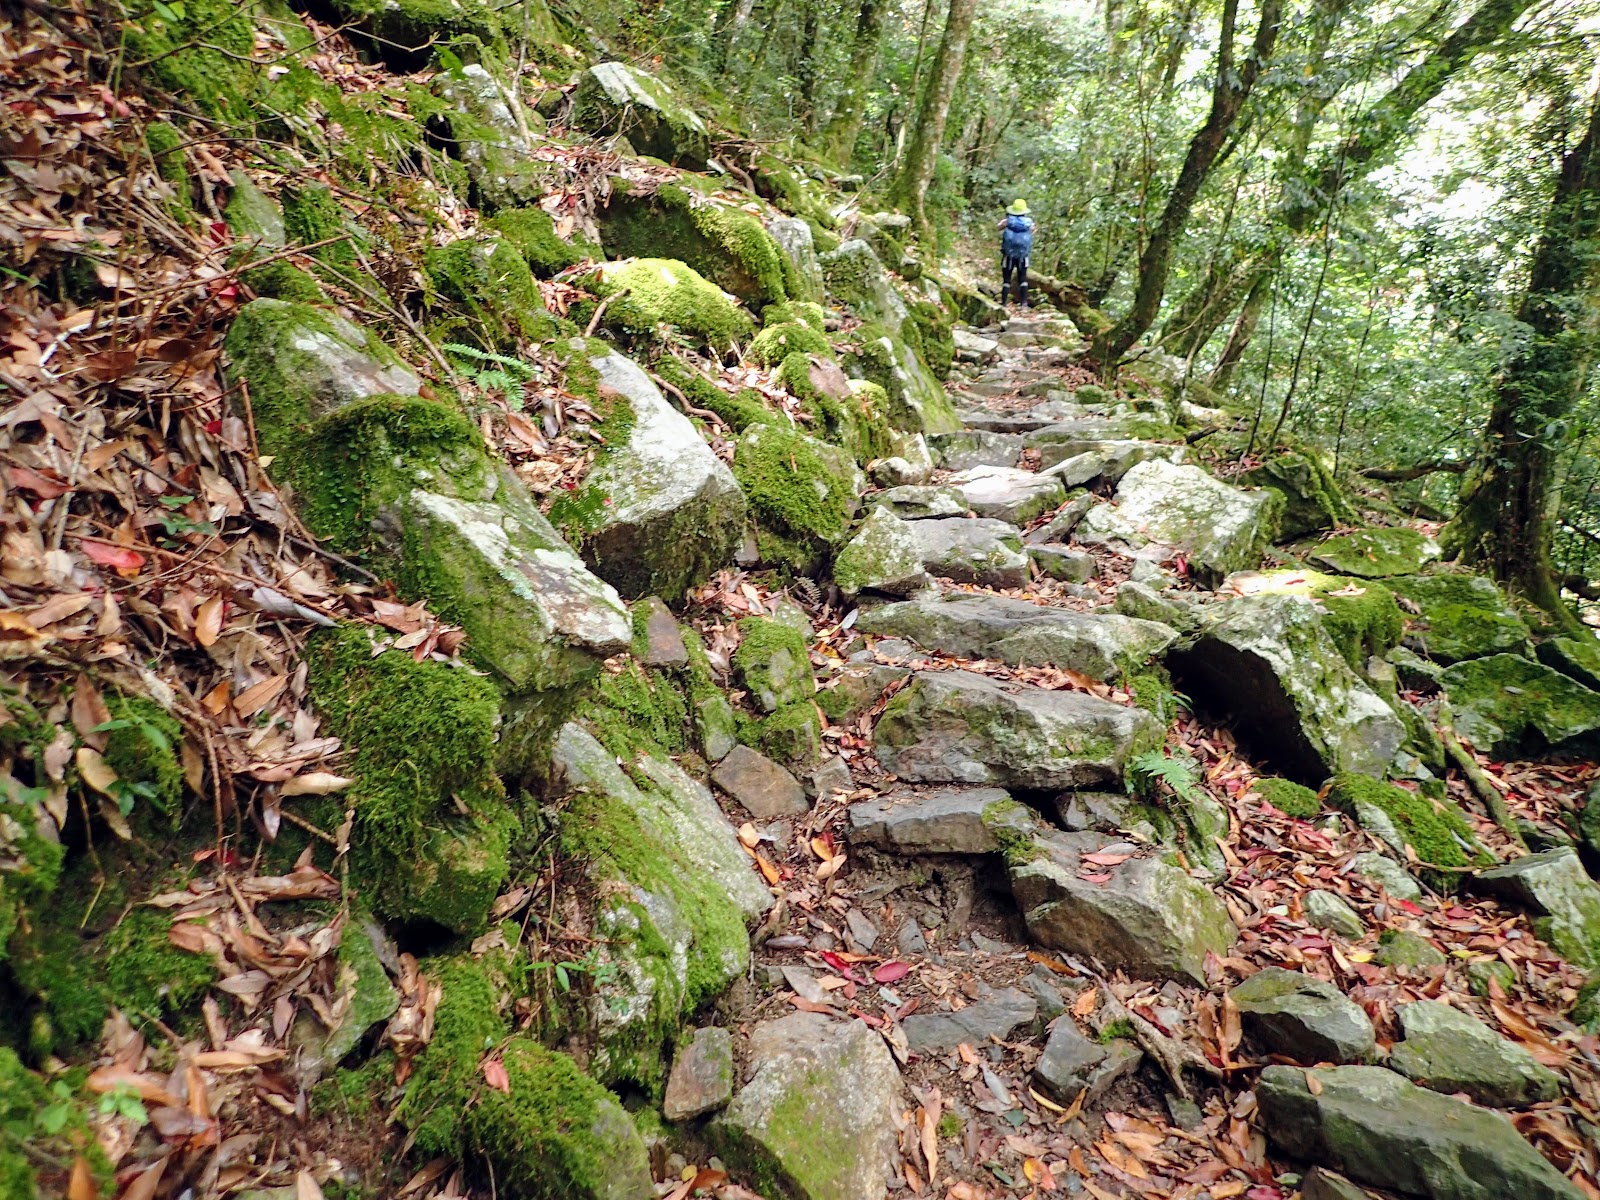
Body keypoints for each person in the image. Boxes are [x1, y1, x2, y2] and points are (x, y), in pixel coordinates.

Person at [998, 199, 1035, 308]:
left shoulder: (1007, 221)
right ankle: (1023, 304)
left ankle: (1004, 303)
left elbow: (998, 227)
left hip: (1008, 254)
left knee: (1006, 279)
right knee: (1022, 278)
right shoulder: (1029, 223)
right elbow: (1032, 231)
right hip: (1023, 255)